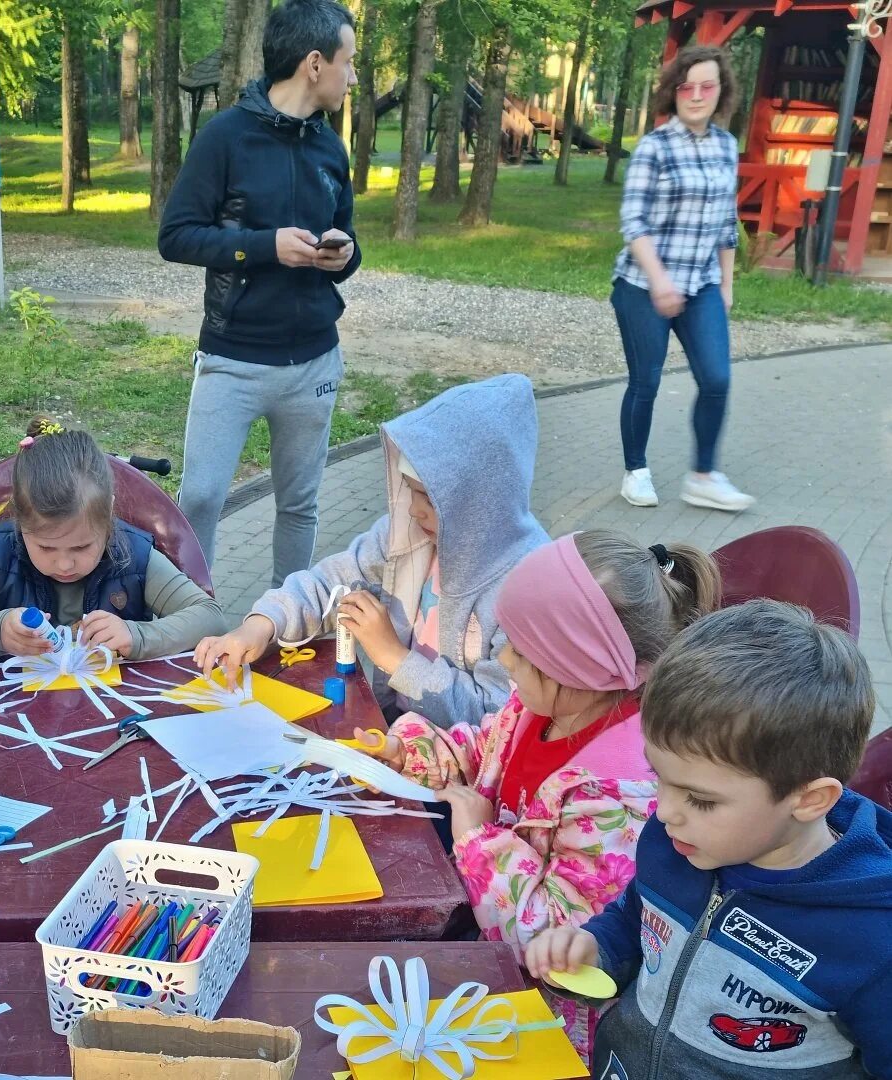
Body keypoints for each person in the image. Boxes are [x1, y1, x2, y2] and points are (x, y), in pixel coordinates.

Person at [380, 531, 721, 1056]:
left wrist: (477, 840)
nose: (506, 659)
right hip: (488, 955)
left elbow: (553, 943)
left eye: (520, 649)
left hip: (544, 1024)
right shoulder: (538, 710)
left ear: (581, 668)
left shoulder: (621, 796)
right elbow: (481, 752)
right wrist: (416, 753)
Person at [527, 601, 892, 1079]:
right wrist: (594, 948)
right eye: (659, 777)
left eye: (700, 799)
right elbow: (637, 915)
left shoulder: (870, 942)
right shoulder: (676, 845)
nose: (666, 811)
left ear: (808, 800)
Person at [195, 374, 549, 729]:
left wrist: (393, 656)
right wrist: (262, 625)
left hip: (461, 773)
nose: (413, 510)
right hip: (395, 733)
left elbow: (501, 720)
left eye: (428, 497)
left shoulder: (530, 588)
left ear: (478, 502)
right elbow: (329, 582)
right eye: (409, 491)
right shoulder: (410, 537)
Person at [158, 0, 360, 589]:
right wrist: (263, 246)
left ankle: (287, 625)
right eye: (350, 63)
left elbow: (348, 241)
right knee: (198, 499)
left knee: (299, 504)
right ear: (315, 64)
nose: (354, 77)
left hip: (313, 361)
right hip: (233, 358)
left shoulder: (330, 148)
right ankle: (186, 623)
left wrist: (345, 255)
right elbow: (176, 236)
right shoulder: (225, 137)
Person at [0, 420, 229, 661]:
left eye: (82, 546)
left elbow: (210, 617)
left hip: (113, 714)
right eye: (45, 547)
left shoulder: (133, 555)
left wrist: (136, 636)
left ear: (108, 517)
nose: (64, 563)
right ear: (20, 524)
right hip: (15, 718)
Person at [614, 45, 753, 513]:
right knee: (646, 381)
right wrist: (659, 282)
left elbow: (726, 222)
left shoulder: (726, 146)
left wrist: (727, 285)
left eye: (706, 86)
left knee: (716, 379)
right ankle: (636, 471)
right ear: (674, 92)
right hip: (641, 286)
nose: (696, 95)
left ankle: (703, 476)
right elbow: (634, 223)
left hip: (702, 285)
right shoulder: (655, 147)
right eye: (686, 86)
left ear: (721, 91)